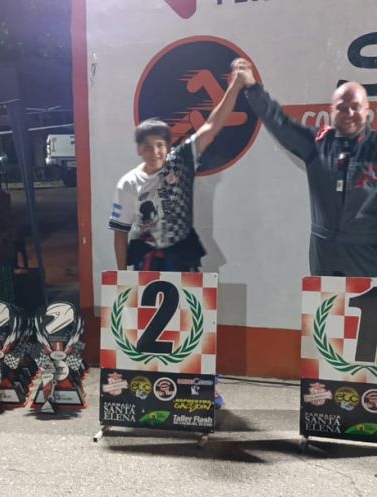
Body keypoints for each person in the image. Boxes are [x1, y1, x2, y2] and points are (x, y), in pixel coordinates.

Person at [109, 66, 249, 408]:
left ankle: (203, 386)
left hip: (182, 255)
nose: (156, 152)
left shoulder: (182, 161)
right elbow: (120, 233)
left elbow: (212, 124)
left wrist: (234, 87)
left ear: (167, 146)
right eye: (148, 147)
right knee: (149, 326)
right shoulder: (127, 184)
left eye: (161, 145)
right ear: (139, 149)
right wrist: (123, 276)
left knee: (193, 322)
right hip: (146, 259)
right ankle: (152, 388)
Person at [233, 58, 377, 277]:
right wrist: (252, 88)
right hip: (324, 259)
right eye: (342, 108)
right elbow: (279, 123)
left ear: (367, 110)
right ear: (331, 111)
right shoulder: (317, 143)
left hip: (367, 260)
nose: (349, 113)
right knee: (325, 302)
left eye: (355, 107)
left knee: (371, 302)